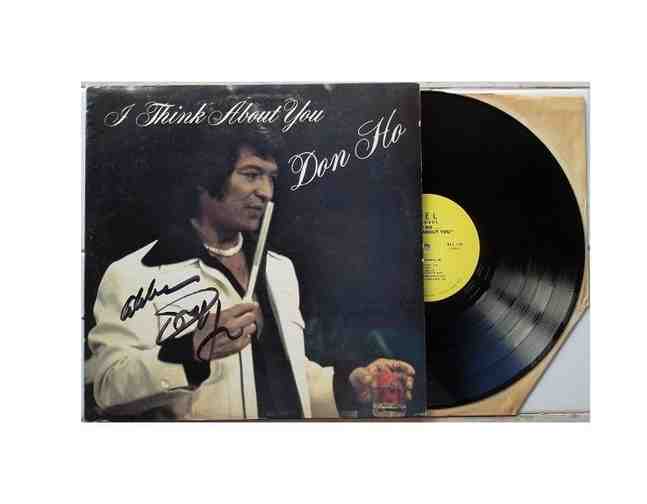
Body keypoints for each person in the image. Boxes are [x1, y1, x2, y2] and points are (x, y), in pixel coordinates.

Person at [85, 124, 415, 419]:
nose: (266, 192)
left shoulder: (280, 269)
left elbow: (282, 376)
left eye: (271, 178)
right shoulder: (136, 273)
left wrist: (346, 385)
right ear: (205, 178)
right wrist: (190, 351)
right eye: (251, 174)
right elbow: (106, 388)